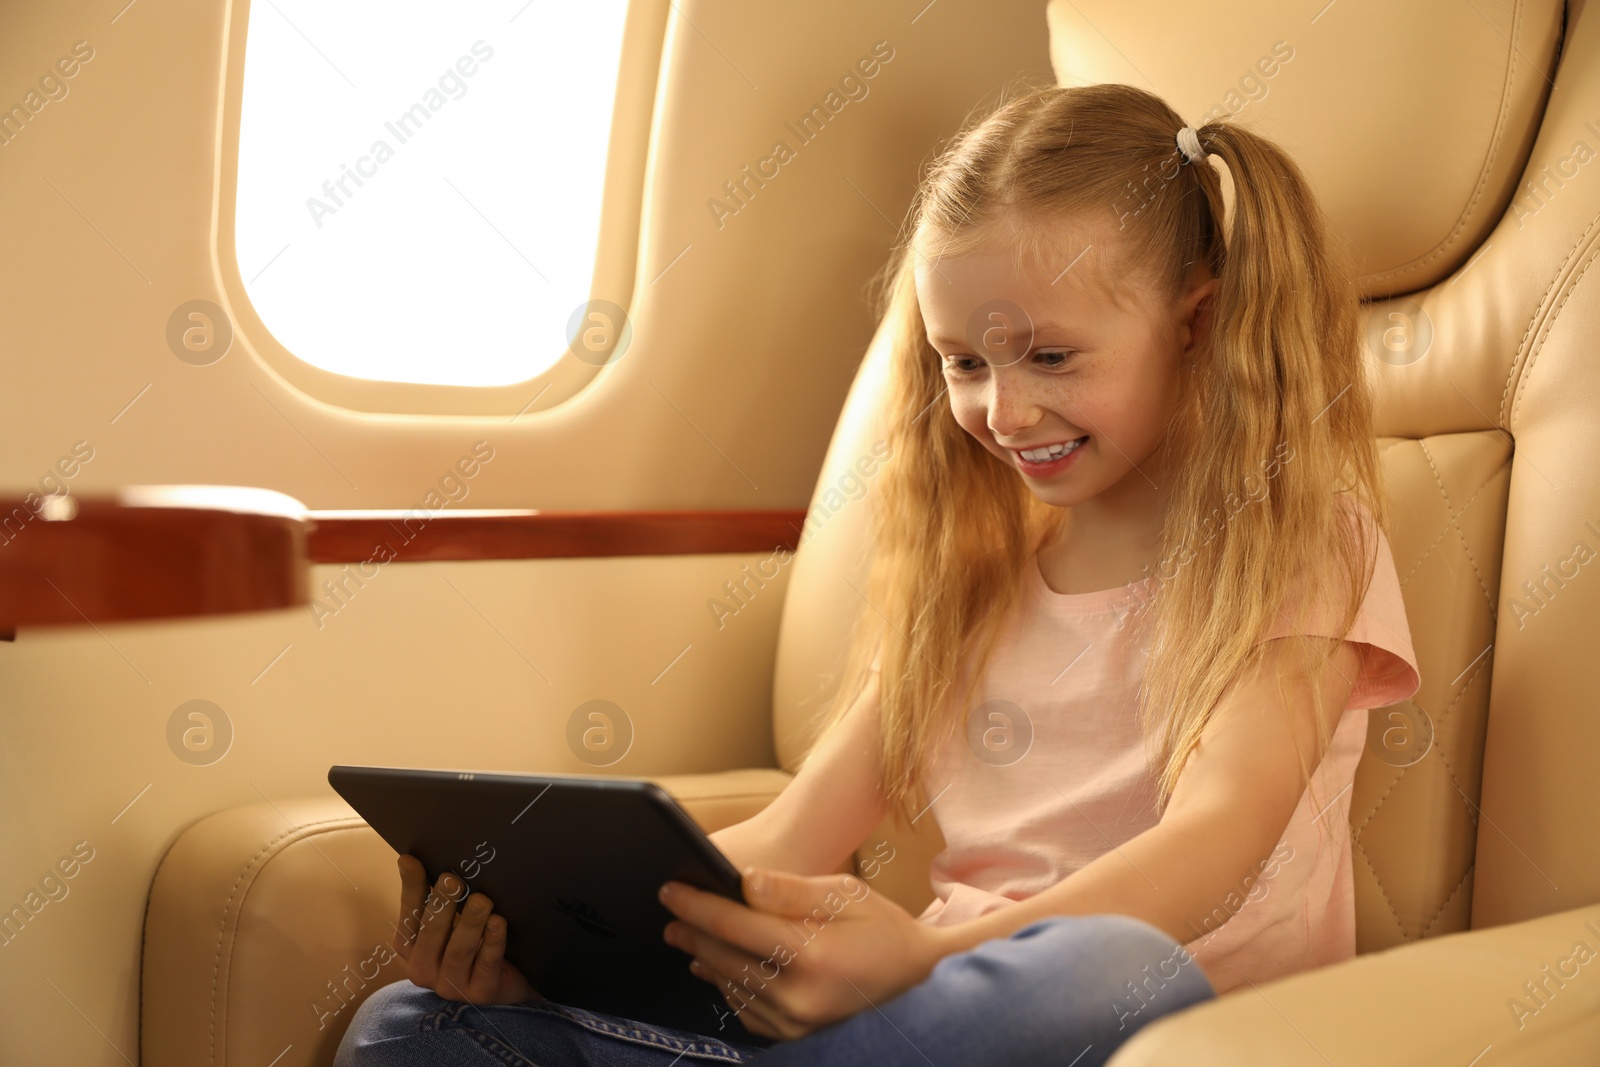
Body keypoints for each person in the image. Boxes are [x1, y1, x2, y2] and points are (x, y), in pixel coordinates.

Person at [334, 80, 1420, 1067]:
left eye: (1050, 355)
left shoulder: (1299, 545)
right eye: (964, 362)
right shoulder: (977, 572)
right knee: (413, 1027)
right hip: (925, 1019)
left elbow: (1214, 844)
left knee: (1089, 966)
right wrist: (557, 935)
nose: (1003, 409)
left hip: (1152, 1015)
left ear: (1199, 323)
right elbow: (795, 834)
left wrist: (917, 959)